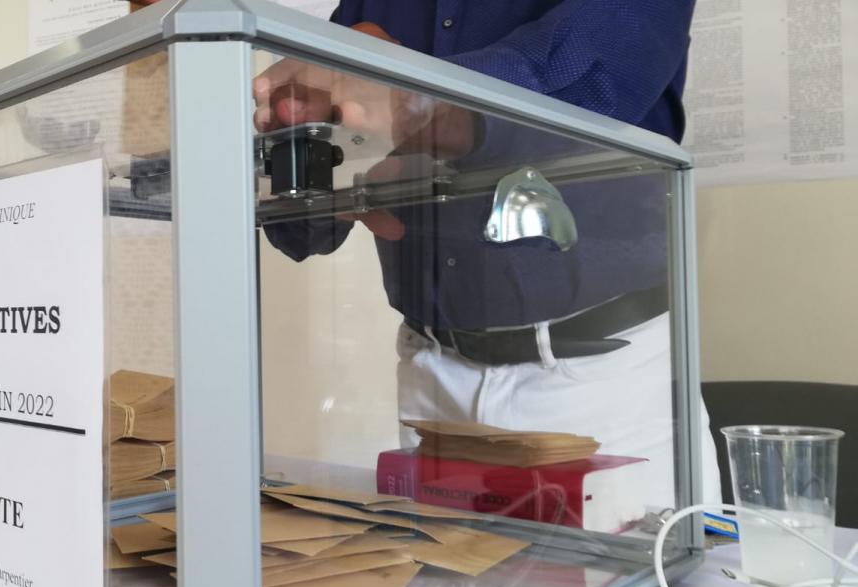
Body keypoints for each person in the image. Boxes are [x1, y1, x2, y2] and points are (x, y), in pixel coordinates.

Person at [251, 1, 721, 507]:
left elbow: (595, 66)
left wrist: (410, 100)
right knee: (438, 580)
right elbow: (302, 223)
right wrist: (300, 147)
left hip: (602, 381)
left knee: (634, 583)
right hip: (430, 378)